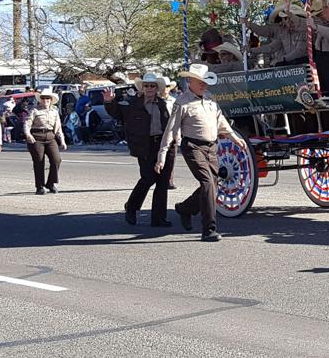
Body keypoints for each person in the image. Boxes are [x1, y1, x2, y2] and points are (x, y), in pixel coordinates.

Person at [156, 64, 245, 242]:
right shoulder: (182, 102)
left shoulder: (210, 98)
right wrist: (162, 154)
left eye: (205, 81)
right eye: (200, 81)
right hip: (193, 146)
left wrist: (234, 137)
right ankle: (209, 229)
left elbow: (220, 120)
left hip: (211, 147)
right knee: (207, 183)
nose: (204, 84)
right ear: (191, 81)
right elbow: (171, 129)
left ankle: (185, 208)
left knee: (213, 184)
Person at [105, 73, 175, 227]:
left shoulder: (162, 103)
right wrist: (109, 101)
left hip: (164, 144)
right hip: (144, 145)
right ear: (142, 88)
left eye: (152, 86)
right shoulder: (133, 105)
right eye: (146, 86)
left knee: (163, 181)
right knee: (148, 178)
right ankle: (131, 206)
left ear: (157, 88)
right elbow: (117, 113)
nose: (149, 88)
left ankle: (158, 218)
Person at [23, 87, 66, 194]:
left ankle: (51, 183)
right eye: (43, 98)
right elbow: (27, 123)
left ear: (51, 100)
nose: (45, 100)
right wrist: (28, 134)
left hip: (50, 136)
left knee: (56, 160)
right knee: (39, 161)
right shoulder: (35, 110)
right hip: (36, 137)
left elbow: (58, 128)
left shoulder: (54, 111)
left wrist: (62, 141)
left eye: (47, 98)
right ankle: (40, 186)